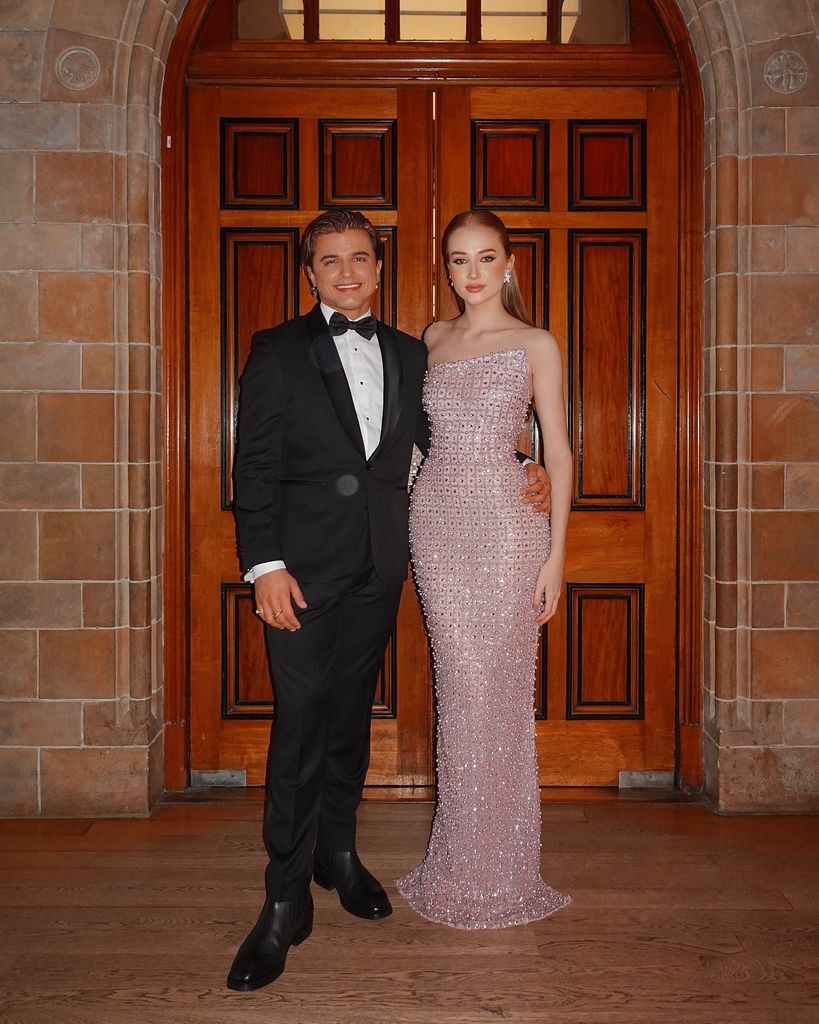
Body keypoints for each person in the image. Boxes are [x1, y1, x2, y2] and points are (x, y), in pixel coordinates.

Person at [228, 209, 552, 990]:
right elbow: (254, 467)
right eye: (329, 261)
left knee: (348, 720)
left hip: (382, 568)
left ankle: (338, 855)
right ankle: (281, 902)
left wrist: (528, 464)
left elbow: (454, 441)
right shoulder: (276, 351)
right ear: (309, 272)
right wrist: (264, 565)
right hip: (297, 579)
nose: (346, 273)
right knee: (300, 726)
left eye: (360, 259)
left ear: (379, 267)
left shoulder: (412, 353)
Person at [396, 210, 573, 929]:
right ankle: (458, 860)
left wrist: (557, 555)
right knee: (458, 688)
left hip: (507, 532)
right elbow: (411, 441)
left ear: (508, 264)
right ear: (446, 267)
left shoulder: (535, 342)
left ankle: (500, 868)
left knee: (495, 695)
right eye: (457, 260)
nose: (470, 272)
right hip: (436, 525)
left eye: (484, 257)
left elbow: (557, 452)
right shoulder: (431, 340)